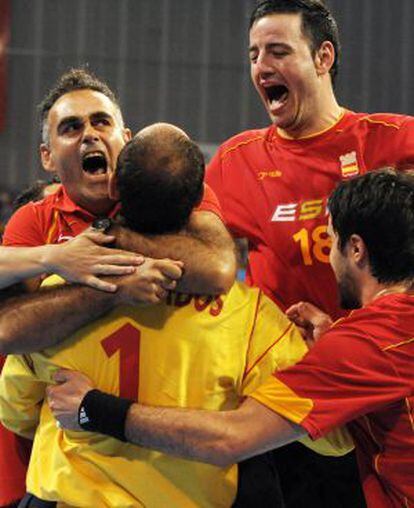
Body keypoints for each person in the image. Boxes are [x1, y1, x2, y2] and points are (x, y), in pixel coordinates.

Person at [0, 124, 326, 507]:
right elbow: (328, 436)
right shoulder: (251, 318)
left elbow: (15, 410)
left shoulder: (55, 300)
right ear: (199, 203)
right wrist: (322, 357)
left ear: (115, 191)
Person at [47, 169, 414, 508]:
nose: (327, 260)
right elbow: (341, 438)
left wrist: (91, 408)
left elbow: (230, 438)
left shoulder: (366, 343)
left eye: (330, 242)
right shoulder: (378, 336)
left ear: (355, 249)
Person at [205, 0, 414, 504]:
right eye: (254, 54)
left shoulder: (395, 142)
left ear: (323, 57)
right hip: (282, 406)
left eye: (278, 51)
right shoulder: (237, 161)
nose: (261, 67)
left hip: (375, 402)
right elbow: (194, 254)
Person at [0, 68, 236, 507]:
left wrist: (109, 238)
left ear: (125, 138)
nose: (89, 135)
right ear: (47, 157)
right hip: (74, 471)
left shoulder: (174, 193)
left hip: (179, 469)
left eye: (100, 122)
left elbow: (219, 267)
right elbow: (7, 330)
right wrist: (112, 287)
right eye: (71, 128)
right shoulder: (35, 222)